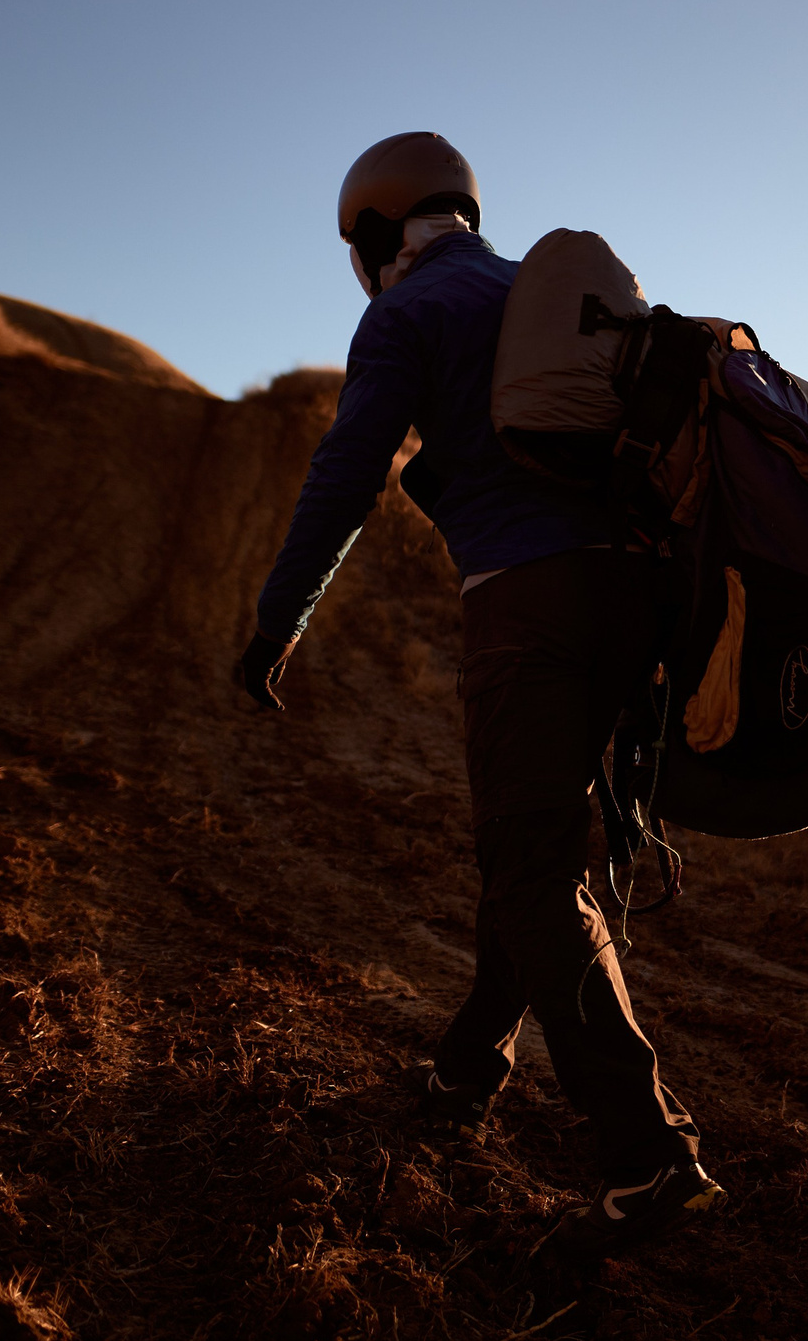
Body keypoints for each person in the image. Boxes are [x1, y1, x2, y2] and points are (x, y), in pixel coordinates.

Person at [234, 131, 723, 1254]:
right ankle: (466, 1069)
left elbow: (346, 472)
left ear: (375, 230)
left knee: (529, 867)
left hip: (525, 606)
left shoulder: (410, 312)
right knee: (533, 848)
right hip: (633, 602)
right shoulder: (553, 296)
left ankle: (649, 1156)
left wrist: (278, 618)